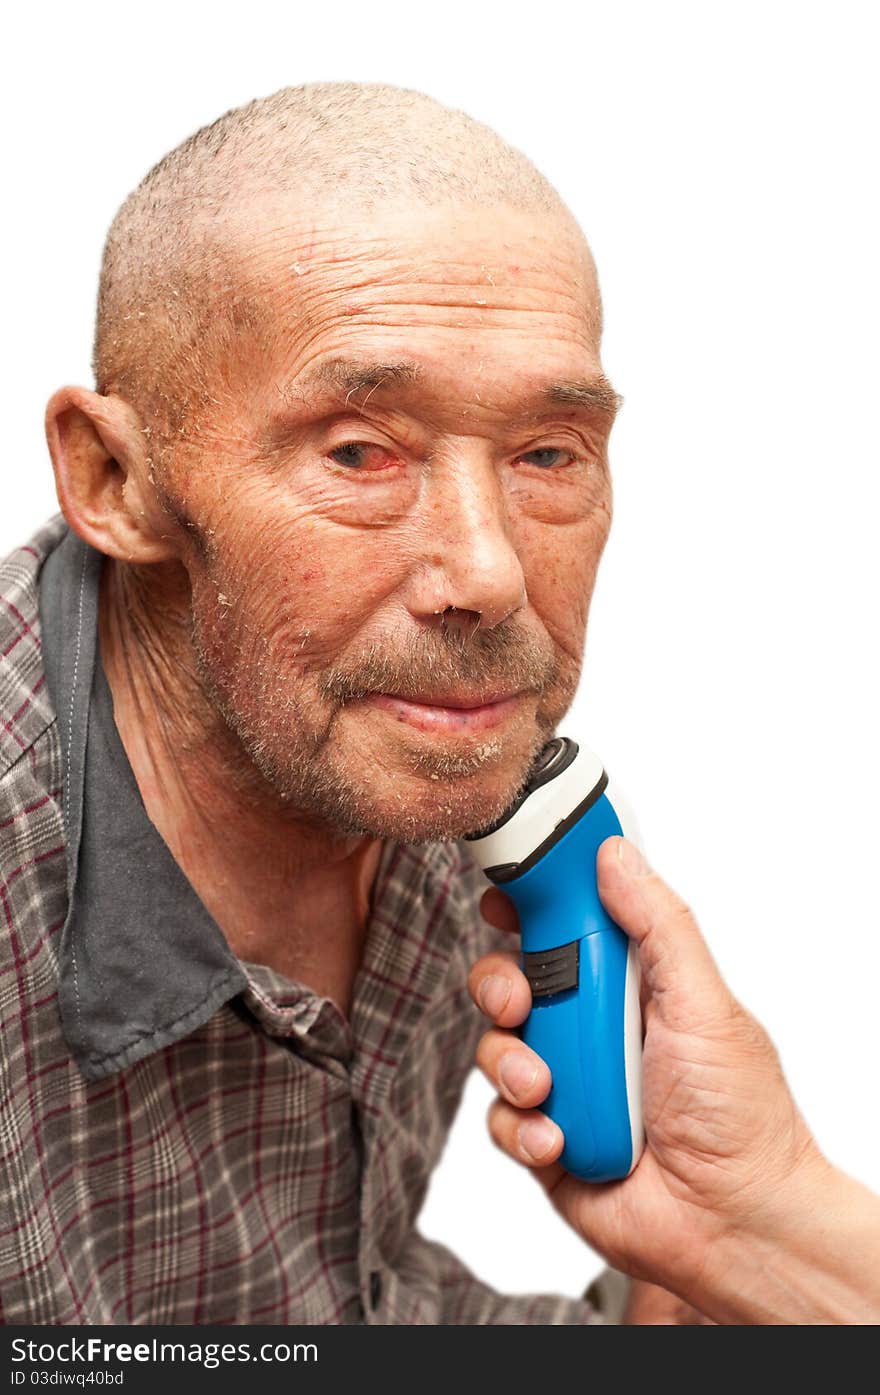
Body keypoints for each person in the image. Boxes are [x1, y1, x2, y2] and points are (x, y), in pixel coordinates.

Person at [0, 80, 876, 1326]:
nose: (488, 573)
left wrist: (754, 1230)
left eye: (545, 457)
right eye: (360, 451)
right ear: (115, 479)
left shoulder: (415, 769)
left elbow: (310, 1315)